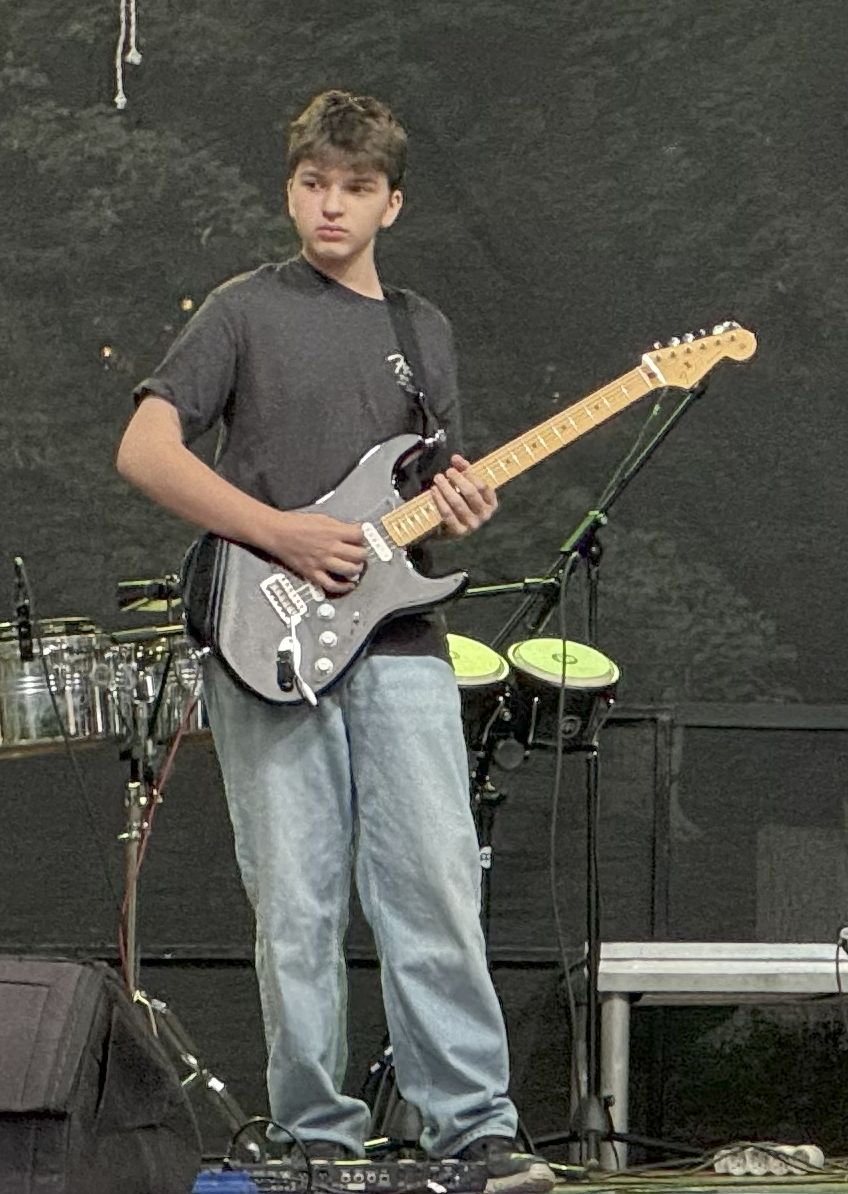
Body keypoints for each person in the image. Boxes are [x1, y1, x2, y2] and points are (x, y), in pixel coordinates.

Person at [116, 90, 555, 1193]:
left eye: (356, 188)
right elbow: (144, 450)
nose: (332, 205)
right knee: (296, 903)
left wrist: (462, 505)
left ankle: (474, 1128)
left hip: (402, 641)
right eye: (314, 183)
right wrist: (279, 533)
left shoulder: (422, 329)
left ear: (390, 203)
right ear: (289, 190)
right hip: (266, 637)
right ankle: (319, 1137)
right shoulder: (241, 310)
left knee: (435, 891)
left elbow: (424, 490)